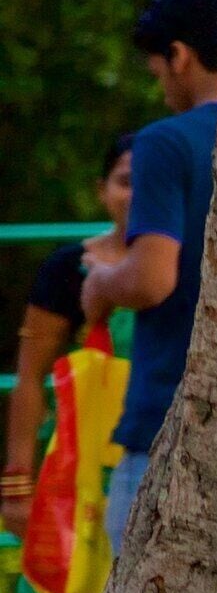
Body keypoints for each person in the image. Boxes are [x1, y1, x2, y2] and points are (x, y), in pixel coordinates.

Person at [83, 0, 217, 550]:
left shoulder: (167, 142)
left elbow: (152, 277)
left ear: (180, 57)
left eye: (157, 71)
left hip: (168, 413)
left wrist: (101, 284)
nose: (162, 87)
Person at [4, 137, 128, 520]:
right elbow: (29, 378)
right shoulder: (68, 269)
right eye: (125, 181)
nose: (140, 194)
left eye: (154, 181)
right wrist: (17, 487)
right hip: (82, 465)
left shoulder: (202, 263)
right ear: (101, 191)